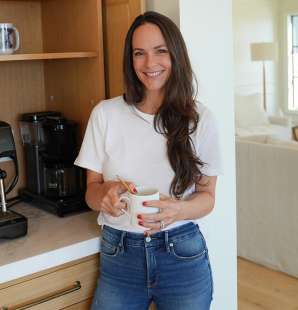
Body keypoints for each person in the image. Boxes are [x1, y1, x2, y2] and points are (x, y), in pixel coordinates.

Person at [74, 11, 222, 310]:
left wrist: (178, 209)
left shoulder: (200, 119)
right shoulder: (105, 114)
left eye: (160, 51)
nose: (149, 63)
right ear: (130, 60)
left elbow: (207, 198)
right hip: (119, 255)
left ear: (175, 55)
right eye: (139, 53)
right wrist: (104, 194)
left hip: (182, 255)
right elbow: (90, 191)